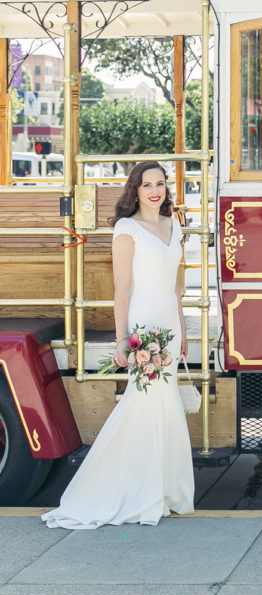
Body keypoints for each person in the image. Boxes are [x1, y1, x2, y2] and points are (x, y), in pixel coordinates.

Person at [42, 161, 194, 529]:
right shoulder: (127, 229)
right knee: (144, 406)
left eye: (160, 184)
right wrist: (123, 338)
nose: (155, 191)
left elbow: (176, 286)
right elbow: (122, 288)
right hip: (144, 327)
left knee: (166, 406)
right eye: (147, 185)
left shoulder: (175, 225)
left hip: (170, 327)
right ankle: (136, 492)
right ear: (135, 190)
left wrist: (184, 331)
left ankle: (165, 491)